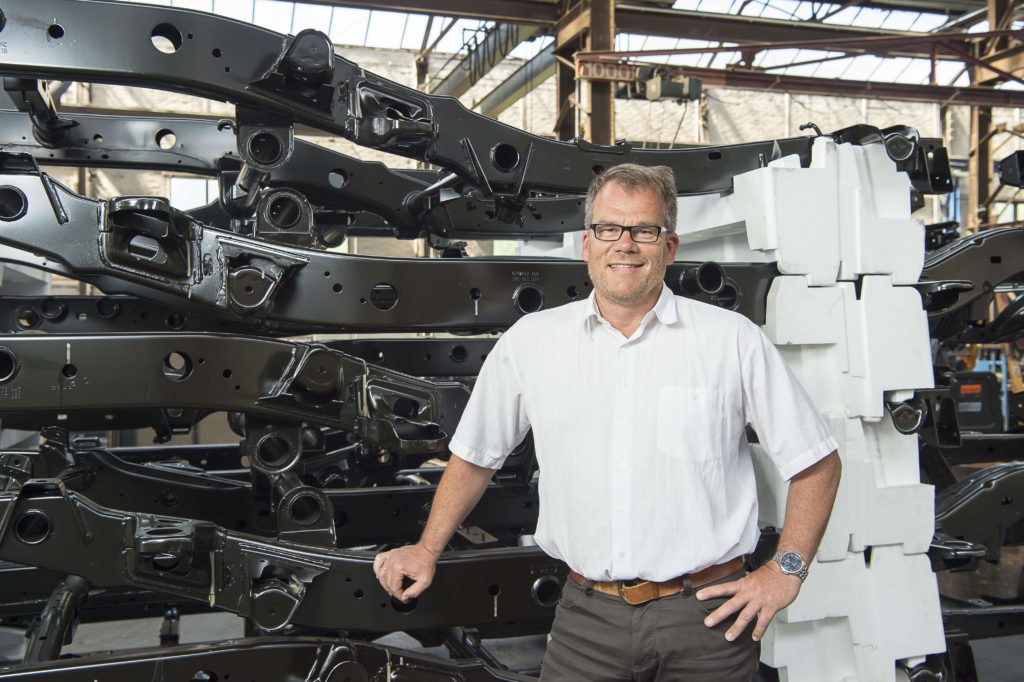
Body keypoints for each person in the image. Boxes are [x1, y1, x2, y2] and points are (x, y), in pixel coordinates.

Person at [374, 164, 842, 681]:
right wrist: (427, 547)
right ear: (587, 244)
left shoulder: (731, 340)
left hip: (708, 619)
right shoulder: (532, 342)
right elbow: (475, 457)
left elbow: (816, 462)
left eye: (644, 230)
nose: (625, 244)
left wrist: (787, 570)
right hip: (586, 620)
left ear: (669, 246)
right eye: (608, 229)